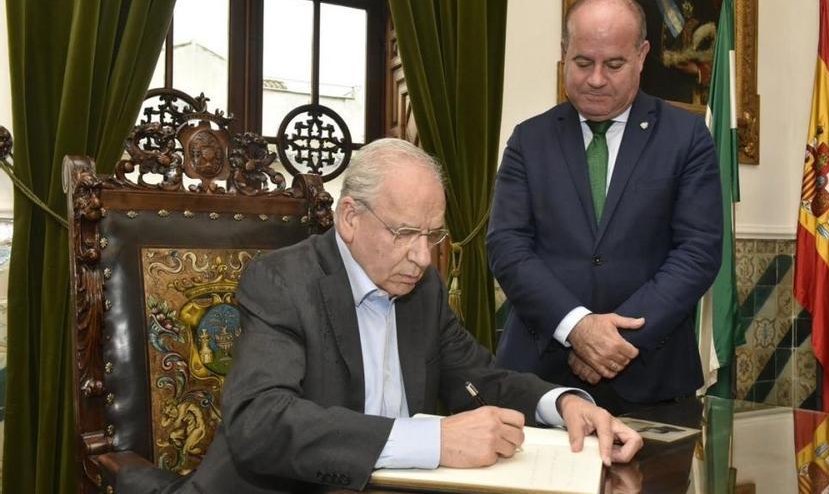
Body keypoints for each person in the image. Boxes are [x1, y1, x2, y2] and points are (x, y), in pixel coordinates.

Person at [122, 138, 642, 493]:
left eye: (432, 235)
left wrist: (564, 403)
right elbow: (261, 422)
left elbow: (481, 378)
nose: (422, 257)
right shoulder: (283, 281)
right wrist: (434, 441)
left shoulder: (423, 289)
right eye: (404, 234)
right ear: (350, 218)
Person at [487, 0, 722, 415]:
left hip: (654, 381)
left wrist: (611, 340)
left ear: (642, 56)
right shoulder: (529, 140)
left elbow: (697, 252)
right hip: (539, 383)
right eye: (582, 62)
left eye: (614, 65)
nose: (596, 79)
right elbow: (507, 247)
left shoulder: (687, 138)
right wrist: (576, 327)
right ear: (563, 53)